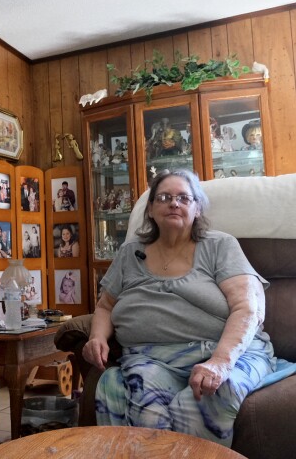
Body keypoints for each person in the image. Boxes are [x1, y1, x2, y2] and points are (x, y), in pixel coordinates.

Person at [82, 169, 274, 447]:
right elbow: (105, 306)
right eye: (164, 197)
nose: (174, 203)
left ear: (197, 208)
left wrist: (220, 362)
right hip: (151, 358)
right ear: (150, 209)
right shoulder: (129, 253)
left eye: (185, 197)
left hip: (223, 352)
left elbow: (248, 308)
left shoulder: (220, 245)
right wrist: (97, 337)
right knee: (144, 396)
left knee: (214, 393)